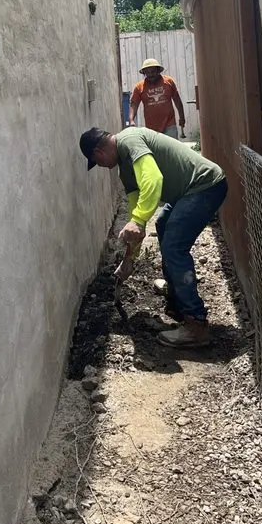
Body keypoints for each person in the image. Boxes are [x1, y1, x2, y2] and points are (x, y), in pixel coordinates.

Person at [79, 126, 228, 348]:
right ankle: (176, 292)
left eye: (96, 163)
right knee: (162, 223)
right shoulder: (125, 168)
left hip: (205, 185)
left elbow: (153, 180)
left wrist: (138, 220)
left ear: (98, 154)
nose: (101, 166)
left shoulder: (129, 141)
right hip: (187, 192)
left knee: (173, 247)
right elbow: (134, 211)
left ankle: (196, 325)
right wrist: (129, 259)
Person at [128, 59, 186, 139]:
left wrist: (182, 117)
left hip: (169, 124)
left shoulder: (168, 82)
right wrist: (131, 120)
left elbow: (177, 101)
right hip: (151, 128)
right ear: (144, 73)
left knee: (171, 149)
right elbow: (134, 104)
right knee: (156, 151)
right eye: (147, 72)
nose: (150, 74)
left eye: (153, 71)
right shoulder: (139, 87)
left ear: (158, 71)